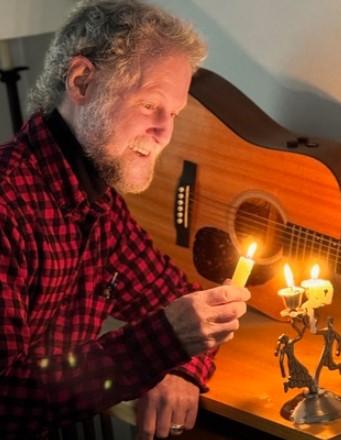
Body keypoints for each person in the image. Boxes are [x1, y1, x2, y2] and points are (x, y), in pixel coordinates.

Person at [0, 1, 250, 439]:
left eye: (173, 114)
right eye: (150, 103)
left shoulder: (99, 205)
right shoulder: (8, 203)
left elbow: (180, 299)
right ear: (82, 81)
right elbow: (7, 402)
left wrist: (182, 368)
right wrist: (163, 344)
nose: (164, 132)